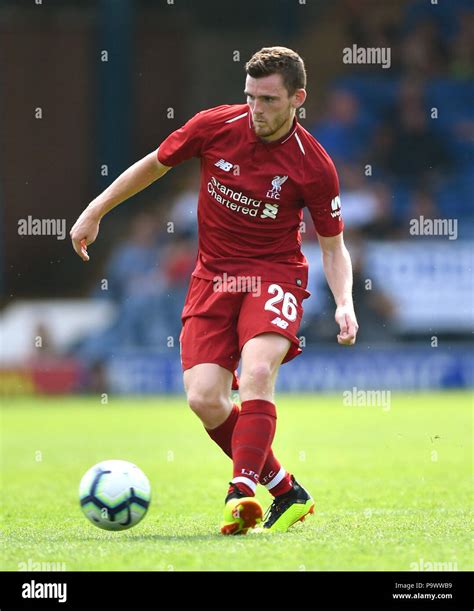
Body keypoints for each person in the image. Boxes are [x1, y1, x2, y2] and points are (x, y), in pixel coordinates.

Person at [70, 46, 359, 535]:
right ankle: (285, 490)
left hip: (273, 274)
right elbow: (154, 164)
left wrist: (345, 302)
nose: (256, 109)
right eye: (250, 96)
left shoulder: (315, 165)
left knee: (258, 369)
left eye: (268, 99)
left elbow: (333, 247)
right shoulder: (214, 126)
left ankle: (240, 490)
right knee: (205, 399)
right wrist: (95, 210)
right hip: (214, 280)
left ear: (297, 99)